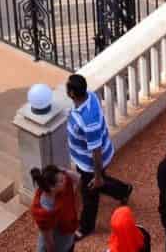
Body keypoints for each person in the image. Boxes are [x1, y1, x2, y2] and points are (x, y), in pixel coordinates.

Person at [66, 73, 133, 240]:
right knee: (99, 183)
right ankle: (123, 190)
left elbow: (95, 151)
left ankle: (85, 227)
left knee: (90, 194)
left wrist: (96, 176)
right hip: (91, 160)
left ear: (72, 93)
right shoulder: (92, 97)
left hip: (90, 164)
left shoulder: (87, 121)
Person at [31, 165, 81, 252]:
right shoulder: (45, 211)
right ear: (52, 187)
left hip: (68, 236)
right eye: (61, 180)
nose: (65, 179)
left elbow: (78, 178)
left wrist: (63, 170)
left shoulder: (60, 188)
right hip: (59, 246)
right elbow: (49, 242)